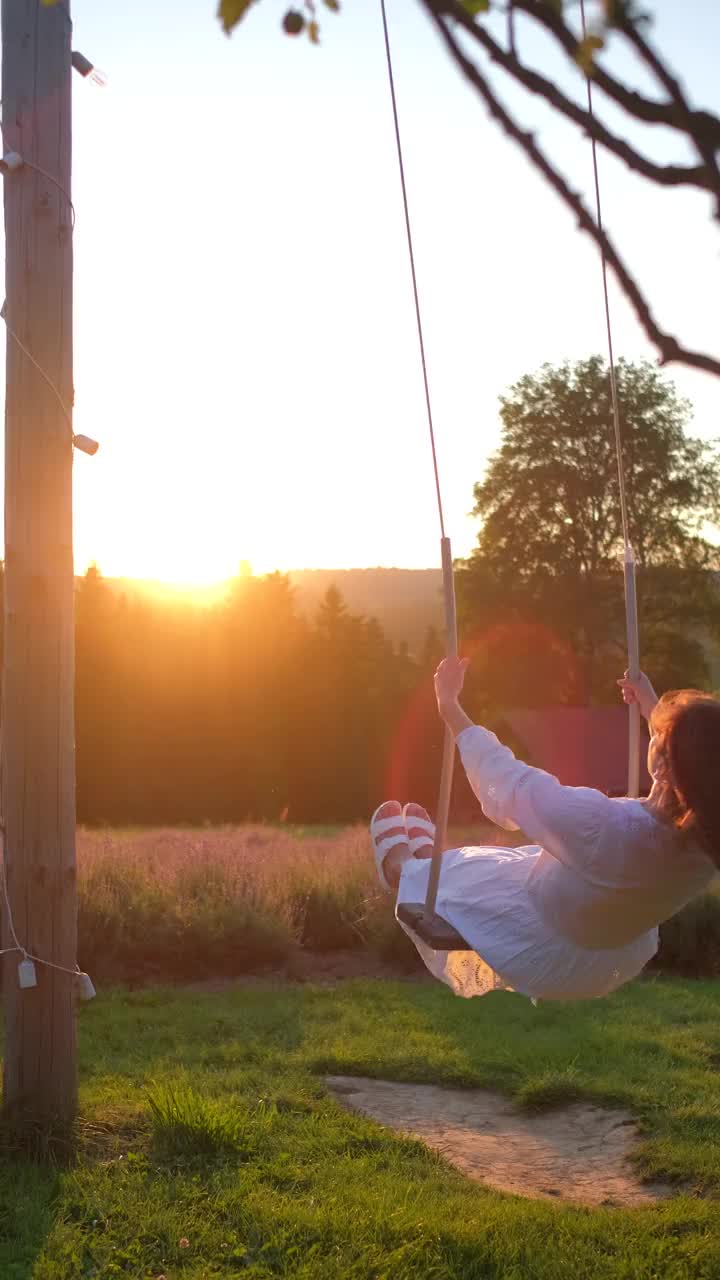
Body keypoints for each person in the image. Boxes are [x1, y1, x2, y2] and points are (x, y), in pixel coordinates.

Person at [370, 660, 720, 1000]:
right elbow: (697, 763)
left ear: (662, 764)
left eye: (658, 736)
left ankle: (403, 870)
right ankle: (434, 865)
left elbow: (510, 779)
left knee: (473, 880)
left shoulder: (599, 827)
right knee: (507, 864)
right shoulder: (708, 843)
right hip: (609, 950)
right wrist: (651, 705)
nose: (653, 735)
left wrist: (449, 706)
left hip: (538, 941)